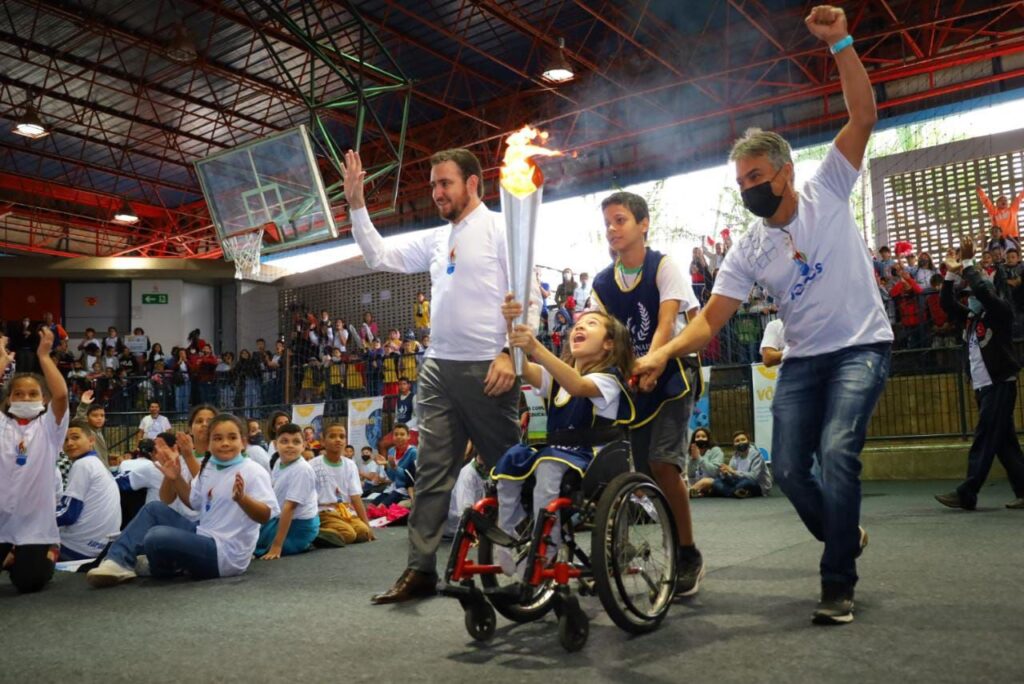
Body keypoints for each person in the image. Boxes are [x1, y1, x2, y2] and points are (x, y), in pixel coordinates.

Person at [634, 6, 890, 625]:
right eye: (740, 179)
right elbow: (710, 322)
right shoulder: (747, 248)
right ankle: (842, 534)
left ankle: (837, 580)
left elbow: (864, 115)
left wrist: (842, 44)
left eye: (755, 176)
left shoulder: (829, 187)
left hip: (862, 348)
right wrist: (664, 350)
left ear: (785, 172)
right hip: (803, 360)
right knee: (786, 471)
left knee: (836, 453)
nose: (747, 187)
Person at [344, 146, 521, 604]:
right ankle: (420, 570)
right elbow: (376, 255)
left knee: (510, 470)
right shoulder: (436, 239)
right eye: (434, 185)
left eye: (446, 183)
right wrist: (357, 204)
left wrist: (509, 353)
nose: (437, 192)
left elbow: (528, 297)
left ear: (473, 183)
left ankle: (534, 555)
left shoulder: (502, 229)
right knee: (430, 475)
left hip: (489, 368)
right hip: (438, 368)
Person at [590, 190, 706, 596]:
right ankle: (629, 545)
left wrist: (654, 362)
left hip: (673, 372)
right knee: (633, 472)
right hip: (634, 378)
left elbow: (665, 323)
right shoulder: (602, 284)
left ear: (643, 224)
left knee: (662, 463)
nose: (611, 229)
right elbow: (601, 337)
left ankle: (688, 552)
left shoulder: (664, 266)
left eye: (619, 220)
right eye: (607, 222)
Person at [491, 307, 634, 574]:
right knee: (512, 459)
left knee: (547, 463)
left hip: (593, 458)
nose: (579, 327)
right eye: (577, 324)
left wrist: (536, 347)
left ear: (608, 343)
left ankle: (546, 548)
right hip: (559, 453)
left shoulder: (609, 379)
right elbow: (521, 366)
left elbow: (578, 386)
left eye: (590, 324)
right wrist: (512, 326)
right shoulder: (556, 379)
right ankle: (508, 533)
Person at [86, 414, 279, 586]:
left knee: (156, 536)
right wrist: (176, 477)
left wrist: (243, 499)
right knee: (154, 508)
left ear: (243, 442)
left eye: (232, 437)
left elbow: (265, 516)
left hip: (226, 555)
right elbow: (193, 502)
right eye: (218, 438)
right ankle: (117, 562)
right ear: (209, 442)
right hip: (203, 535)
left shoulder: (252, 471)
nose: (225, 443)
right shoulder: (210, 466)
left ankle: (160, 567)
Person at [935, 238, 1024, 510]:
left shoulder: (1001, 312)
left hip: (999, 384)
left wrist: (969, 264)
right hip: (983, 386)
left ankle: (967, 492)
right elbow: (947, 304)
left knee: (985, 436)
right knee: (1004, 443)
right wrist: (951, 273)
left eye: (976, 294)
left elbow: (984, 291)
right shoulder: (973, 319)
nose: (972, 298)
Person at [0, 328, 68, 593]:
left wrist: (44, 355)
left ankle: (47, 553)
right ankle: (9, 556)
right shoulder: (3, 425)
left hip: (34, 525)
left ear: (43, 400)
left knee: (28, 583)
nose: (25, 398)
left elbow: (61, 396)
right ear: (8, 399)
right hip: (1, 519)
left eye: (32, 394)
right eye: (18, 394)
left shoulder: (49, 428)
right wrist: (4, 361)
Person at [57, 419, 121, 559]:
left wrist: (36, 519)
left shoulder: (83, 465)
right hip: (100, 548)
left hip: (76, 549)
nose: (69, 443)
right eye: (65, 439)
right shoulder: (96, 463)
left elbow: (68, 514)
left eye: (75, 437)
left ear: (91, 441)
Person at [255, 424, 319, 559]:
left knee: (256, 545)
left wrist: (277, 546)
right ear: (275, 444)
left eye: (296, 442)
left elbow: (289, 508)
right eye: (284, 441)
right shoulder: (279, 462)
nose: (290, 445)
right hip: (280, 518)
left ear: (304, 446)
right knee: (247, 531)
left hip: (300, 526)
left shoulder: (302, 469)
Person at [309, 423, 374, 547]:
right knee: (349, 535)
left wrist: (367, 524)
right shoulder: (313, 465)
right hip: (324, 512)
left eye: (342, 436)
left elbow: (355, 497)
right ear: (323, 441)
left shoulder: (350, 465)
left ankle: (332, 533)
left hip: (345, 512)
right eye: (332, 436)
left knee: (363, 532)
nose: (338, 440)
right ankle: (316, 532)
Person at [708, 430, 773, 498]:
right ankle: (737, 492)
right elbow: (731, 475)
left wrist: (733, 472)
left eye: (743, 440)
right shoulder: (735, 456)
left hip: (758, 485)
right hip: (739, 481)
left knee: (745, 483)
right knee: (717, 482)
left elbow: (754, 477)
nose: (740, 442)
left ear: (748, 441)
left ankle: (730, 492)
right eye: (737, 441)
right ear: (734, 444)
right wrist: (726, 474)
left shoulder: (756, 455)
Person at [374, 423, 418, 507]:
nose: (398, 437)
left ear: (408, 436)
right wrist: (386, 466)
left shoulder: (413, 452)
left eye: (402, 434)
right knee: (371, 506)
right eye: (396, 434)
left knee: (380, 508)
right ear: (393, 437)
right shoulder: (391, 451)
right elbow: (393, 478)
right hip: (392, 488)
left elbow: (411, 479)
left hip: (405, 490)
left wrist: (395, 467)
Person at [75, 389, 110, 467]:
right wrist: (83, 405)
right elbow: (78, 420)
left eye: (102, 415)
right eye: (95, 415)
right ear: (87, 418)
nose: (99, 418)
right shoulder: (87, 431)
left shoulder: (99, 431)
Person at [687, 428, 725, 497]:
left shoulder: (716, 450)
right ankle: (694, 491)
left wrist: (699, 458)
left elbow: (714, 472)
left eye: (703, 436)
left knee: (705, 481)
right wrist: (692, 460)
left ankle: (685, 494)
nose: (700, 438)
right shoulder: (693, 452)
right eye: (697, 437)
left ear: (708, 439)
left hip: (714, 482)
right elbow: (691, 475)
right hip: (697, 482)